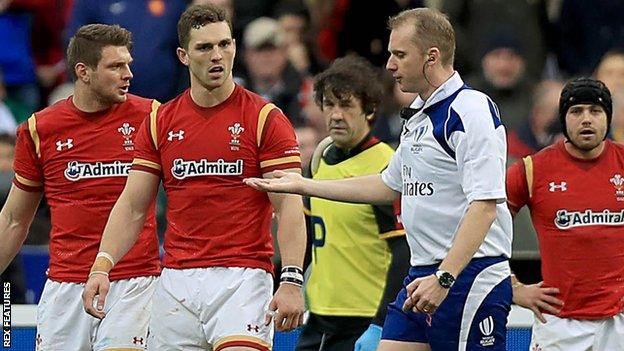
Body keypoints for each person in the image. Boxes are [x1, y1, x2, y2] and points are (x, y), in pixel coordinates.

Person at [245, 8, 513, 351]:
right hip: (422, 276)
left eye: (399, 54)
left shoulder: (471, 110)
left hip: (467, 277)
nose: (389, 64)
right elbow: (388, 185)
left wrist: (445, 278)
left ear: (431, 57)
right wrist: (302, 185)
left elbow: (485, 207)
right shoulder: (418, 116)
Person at [82, 4, 306, 350]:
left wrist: (291, 277)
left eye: (224, 44)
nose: (217, 56)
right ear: (183, 55)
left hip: (242, 278)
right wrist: (102, 265)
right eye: (204, 47)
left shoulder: (265, 118)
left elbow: (289, 205)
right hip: (176, 282)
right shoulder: (161, 122)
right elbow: (132, 206)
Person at [0, 24, 160, 350]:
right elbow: (15, 220)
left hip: (134, 282)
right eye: (116, 66)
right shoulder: (38, 130)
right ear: (83, 72)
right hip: (65, 285)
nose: (128, 74)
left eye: (128, 64)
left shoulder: (152, 117)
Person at [294, 56, 409, 351]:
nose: (335, 115)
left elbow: (402, 249)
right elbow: (306, 237)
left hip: (365, 318)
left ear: (369, 110)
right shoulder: (317, 163)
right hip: (318, 317)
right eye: (329, 104)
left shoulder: (386, 166)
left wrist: (381, 323)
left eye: (346, 106)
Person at [507, 77, 624, 350]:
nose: (586, 119)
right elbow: (485, 228)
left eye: (595, 111)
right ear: (563, 118)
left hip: (618, 321)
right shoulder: (531, 170)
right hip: (559, 324)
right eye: (576, 111)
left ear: (608, 117)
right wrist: (512, 287)